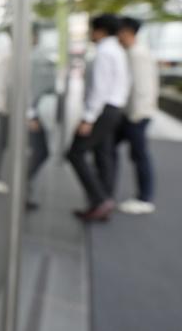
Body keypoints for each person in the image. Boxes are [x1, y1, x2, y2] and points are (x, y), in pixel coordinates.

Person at [67, 14, 131, 222]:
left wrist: (88, 118)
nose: (90, 34)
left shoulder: (104, 52)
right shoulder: (117, 51)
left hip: (103, 110)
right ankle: (103, 201)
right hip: (113, 109)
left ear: (100, 30)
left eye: (92, 29)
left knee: (75, 152)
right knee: (104, 155)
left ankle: (100, 199)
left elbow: (100, 89)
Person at [0, 26, 54, 210]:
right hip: (10, 110)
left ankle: (20, 188)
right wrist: (24, 114)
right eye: (33, 36)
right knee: (5, 143)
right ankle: (1, 180)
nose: (36, 39)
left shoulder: (24, 57)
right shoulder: (11, 58)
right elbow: (10, 88)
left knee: (19, 147)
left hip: (17, 110)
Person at [113, 16, 159, 214]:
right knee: (113, 148)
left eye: (119, 32)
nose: (117, 36)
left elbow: (142, 88)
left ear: (128, 32)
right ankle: (107, 189)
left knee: (139, 155)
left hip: (136, 115)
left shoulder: (137, 55)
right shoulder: (133, 52)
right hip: (133, 114)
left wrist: (134, 115)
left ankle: (144, 199)